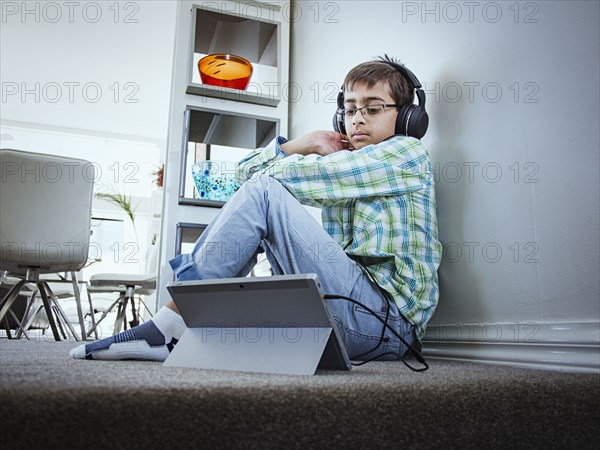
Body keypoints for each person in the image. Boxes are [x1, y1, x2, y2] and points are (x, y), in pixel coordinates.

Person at [70, 55, 442, 364]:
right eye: (349, 110)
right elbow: (242, 177)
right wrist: (306, 142)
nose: (357, 119)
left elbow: (263, 185)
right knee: (259, 201)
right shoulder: (347, 158)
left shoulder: (405, 153)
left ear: (408, 116)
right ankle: (184, 324)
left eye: (373, 109)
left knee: (265, 193)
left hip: (388, 326)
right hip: (349, 311)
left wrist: (295, 160)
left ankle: (170, 325)